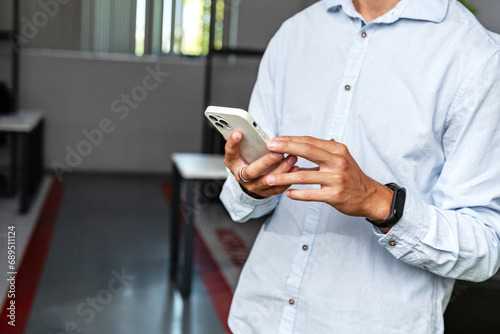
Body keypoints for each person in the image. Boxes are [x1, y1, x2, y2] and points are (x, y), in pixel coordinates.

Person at [220, 0, 500, 333]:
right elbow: (240, 204)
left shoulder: (478, 56)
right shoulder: (296, 32)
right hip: (259, 317)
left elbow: (485, 247)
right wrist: (249, 184)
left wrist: (379, 202)